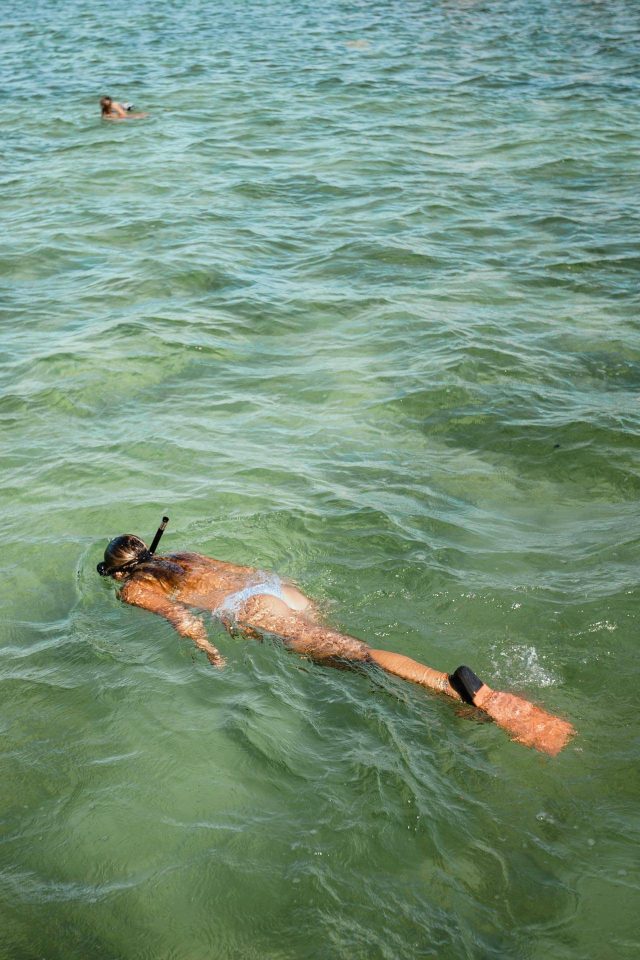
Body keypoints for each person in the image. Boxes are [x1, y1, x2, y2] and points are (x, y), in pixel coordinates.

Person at [97, 518, 575, 756]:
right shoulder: (184, 556)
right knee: (338, 651)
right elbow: (247, 572)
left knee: (360, 654)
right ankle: (442, 700)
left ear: (117, 573)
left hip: (257, 608)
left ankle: (452, 687)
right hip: (279, 590)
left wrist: (211, 654)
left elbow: (185, 622)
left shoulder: (135, 589)